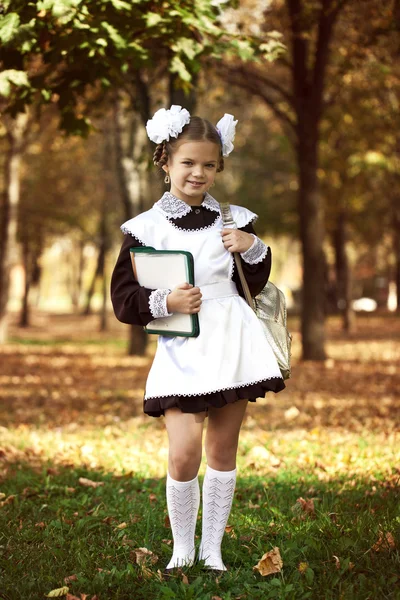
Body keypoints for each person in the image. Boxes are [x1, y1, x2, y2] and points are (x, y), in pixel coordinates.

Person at [110, 105, 286, 574]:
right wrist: (166, 300)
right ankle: (181, 546)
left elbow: (256, 279)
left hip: (233, 343)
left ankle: (212, 549)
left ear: (219, 166)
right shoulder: (145, 229)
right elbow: (124, 297)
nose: (198, 173)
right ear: (165, 161)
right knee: (184, 450)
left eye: (209, 164)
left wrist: (252, 249)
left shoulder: (234, 219)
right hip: (183, 348)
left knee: (222, 451)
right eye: (188, 162)